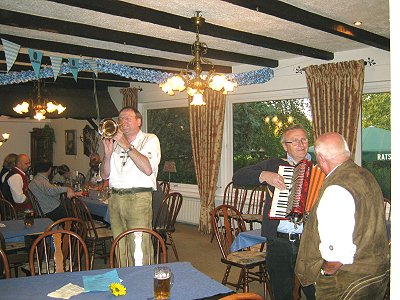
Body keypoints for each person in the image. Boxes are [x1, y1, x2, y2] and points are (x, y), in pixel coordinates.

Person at [295, 132, 389, 299]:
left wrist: (324, 271)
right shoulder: (366, 175)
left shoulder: (336, 189)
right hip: (376, 273)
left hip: (347, 282)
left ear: (321, 159)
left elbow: (337, 254)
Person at [232, 124, 315, 300]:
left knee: (315, 291)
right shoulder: (273, 164)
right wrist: (264, 175)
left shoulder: (319, 166)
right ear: (285, 146)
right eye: (294, 141)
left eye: (304, 139)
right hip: (279, 241)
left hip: (309, 242)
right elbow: (238, 176)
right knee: (281, 291)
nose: (301, 144)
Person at [101, 106, 161, 264]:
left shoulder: (150, 139)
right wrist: (107, 156)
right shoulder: (114, 143)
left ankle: (144, 282)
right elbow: (104, 174)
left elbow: (147, 169)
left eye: (127, 118)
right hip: (115, 198)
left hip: (138, 198)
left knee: (139, 247)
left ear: (138, 121)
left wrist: (125, 144)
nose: (122, 122)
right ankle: (125, 283)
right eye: (120, 118)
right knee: (120, 247)